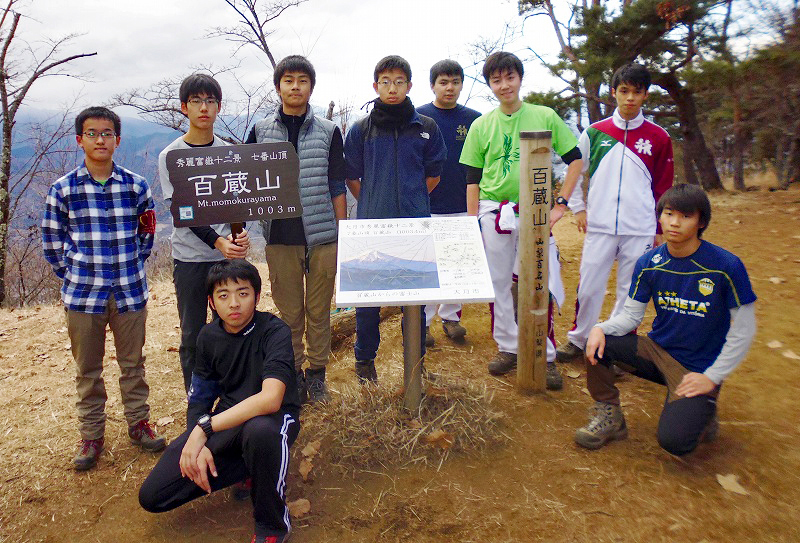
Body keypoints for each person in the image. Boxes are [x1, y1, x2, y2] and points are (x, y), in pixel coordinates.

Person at [574, 185, 756, 455]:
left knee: (674, 442)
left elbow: (744, 330)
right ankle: (609, 416)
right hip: (657, 352)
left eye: (686, 216)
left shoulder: (726, 266)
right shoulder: (649, 262)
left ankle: (704, 409)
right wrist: (600, 328)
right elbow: (631, 316)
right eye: (669, 214)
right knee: (599, 343)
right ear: (659, 216)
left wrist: (712, 377)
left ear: (701, 222)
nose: (674, 223)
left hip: (698, 367)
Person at [139, 259, 301, 543]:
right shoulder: (208, 337)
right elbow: (200, 399)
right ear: (212, 302)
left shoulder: (274, 332)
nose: (234, 303)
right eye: (223, 295)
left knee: (260, 432)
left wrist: (205, 428)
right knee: (154, 495)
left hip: (273, 421)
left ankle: (272, 526)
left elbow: (271, 399)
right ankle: (251, 467)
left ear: (257, 297)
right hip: (228, 421)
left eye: (243, 293)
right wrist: (197, 439)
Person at [42, 106, 166, 471]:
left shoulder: (136, 186)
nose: (100, 140)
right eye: (92, 133)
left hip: (129, 289)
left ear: (117, 140)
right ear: (80, 140)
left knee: (133, 365)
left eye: (107, 133)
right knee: (88, 370)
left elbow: (147, 232)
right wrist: (75, 272)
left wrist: (131, 264)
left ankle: (139, 424)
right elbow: (52, 242)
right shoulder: (63, 189)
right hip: (83, 294)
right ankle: (92, 435)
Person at [459, 51, 584, 390]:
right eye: (496, 80)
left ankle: (545, 354)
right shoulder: (482, 125)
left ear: (520, 78)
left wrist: (560, 204)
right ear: (490, 84)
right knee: (498, 282)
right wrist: (472, 223)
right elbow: (472, 178)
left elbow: (575, 159)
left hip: (536, 210)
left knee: (537, 278)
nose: (504, 85)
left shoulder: (544, 115)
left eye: (509, 77)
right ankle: (508, 346)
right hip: (494, 211)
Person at [246, 55, 346, 403]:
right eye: (288, 80)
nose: (295, 87)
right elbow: (249, 181)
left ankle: (317, 375)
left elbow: (336, 184)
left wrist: (343, 233)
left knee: (319, 311)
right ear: (278, 87)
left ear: (311, 87)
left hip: (322, 237)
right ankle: (293, 375)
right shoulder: (261, 131)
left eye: (302, 81)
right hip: (280, 237)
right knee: (290, 314)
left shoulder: (328, 131)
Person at [558, 63, 674, 362]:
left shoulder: (659, 137)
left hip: (640, 227)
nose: (630, 98)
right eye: (624, 91)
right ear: (614, 92)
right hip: (600, 225)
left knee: (630, 291)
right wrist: (578, 208)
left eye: (637, 92)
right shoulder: (595, 133)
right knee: (589, 287)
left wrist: (658, 228)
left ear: (646, 95)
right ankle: (579, 339)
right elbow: (575, 170)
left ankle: (618, 348)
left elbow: (663, 186)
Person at [344, 54, 447, 383]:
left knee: (415, 301)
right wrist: (372, 201)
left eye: (399, 82)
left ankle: (416, 363)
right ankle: (364, 362)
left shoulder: (425, 128)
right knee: (367, 300)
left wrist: (414, 199)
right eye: (386, 82)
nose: (392, 88)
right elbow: (352, 176)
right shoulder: (361, 130)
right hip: (371, 227)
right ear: (376, 86)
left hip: (415, 227)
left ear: (409, 86)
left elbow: (434, 174)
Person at [159, 73, 250, 393]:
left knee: (230, 324)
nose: (204, 108)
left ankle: (229, 391)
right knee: (193, 333)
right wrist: (218, 241)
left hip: (226, 258)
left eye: (210, 101)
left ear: (219, 107)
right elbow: (182, 212)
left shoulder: (229, 153)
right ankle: (196, 395)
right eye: (196, 101)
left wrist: (239, 235)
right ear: (184, 107)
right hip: (190, 259)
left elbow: (239, 202)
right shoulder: (172, 156)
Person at [417, 59, 482, 347]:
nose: (450, 88)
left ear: (462, 85)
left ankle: (451, 317)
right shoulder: (419, 117)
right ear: (432, 85)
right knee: (429, 266)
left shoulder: (474, 119)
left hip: (462, 201)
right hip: (428, 203)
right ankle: (423, 322)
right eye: (443, 82)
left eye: (455, 82)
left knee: (458, 264)